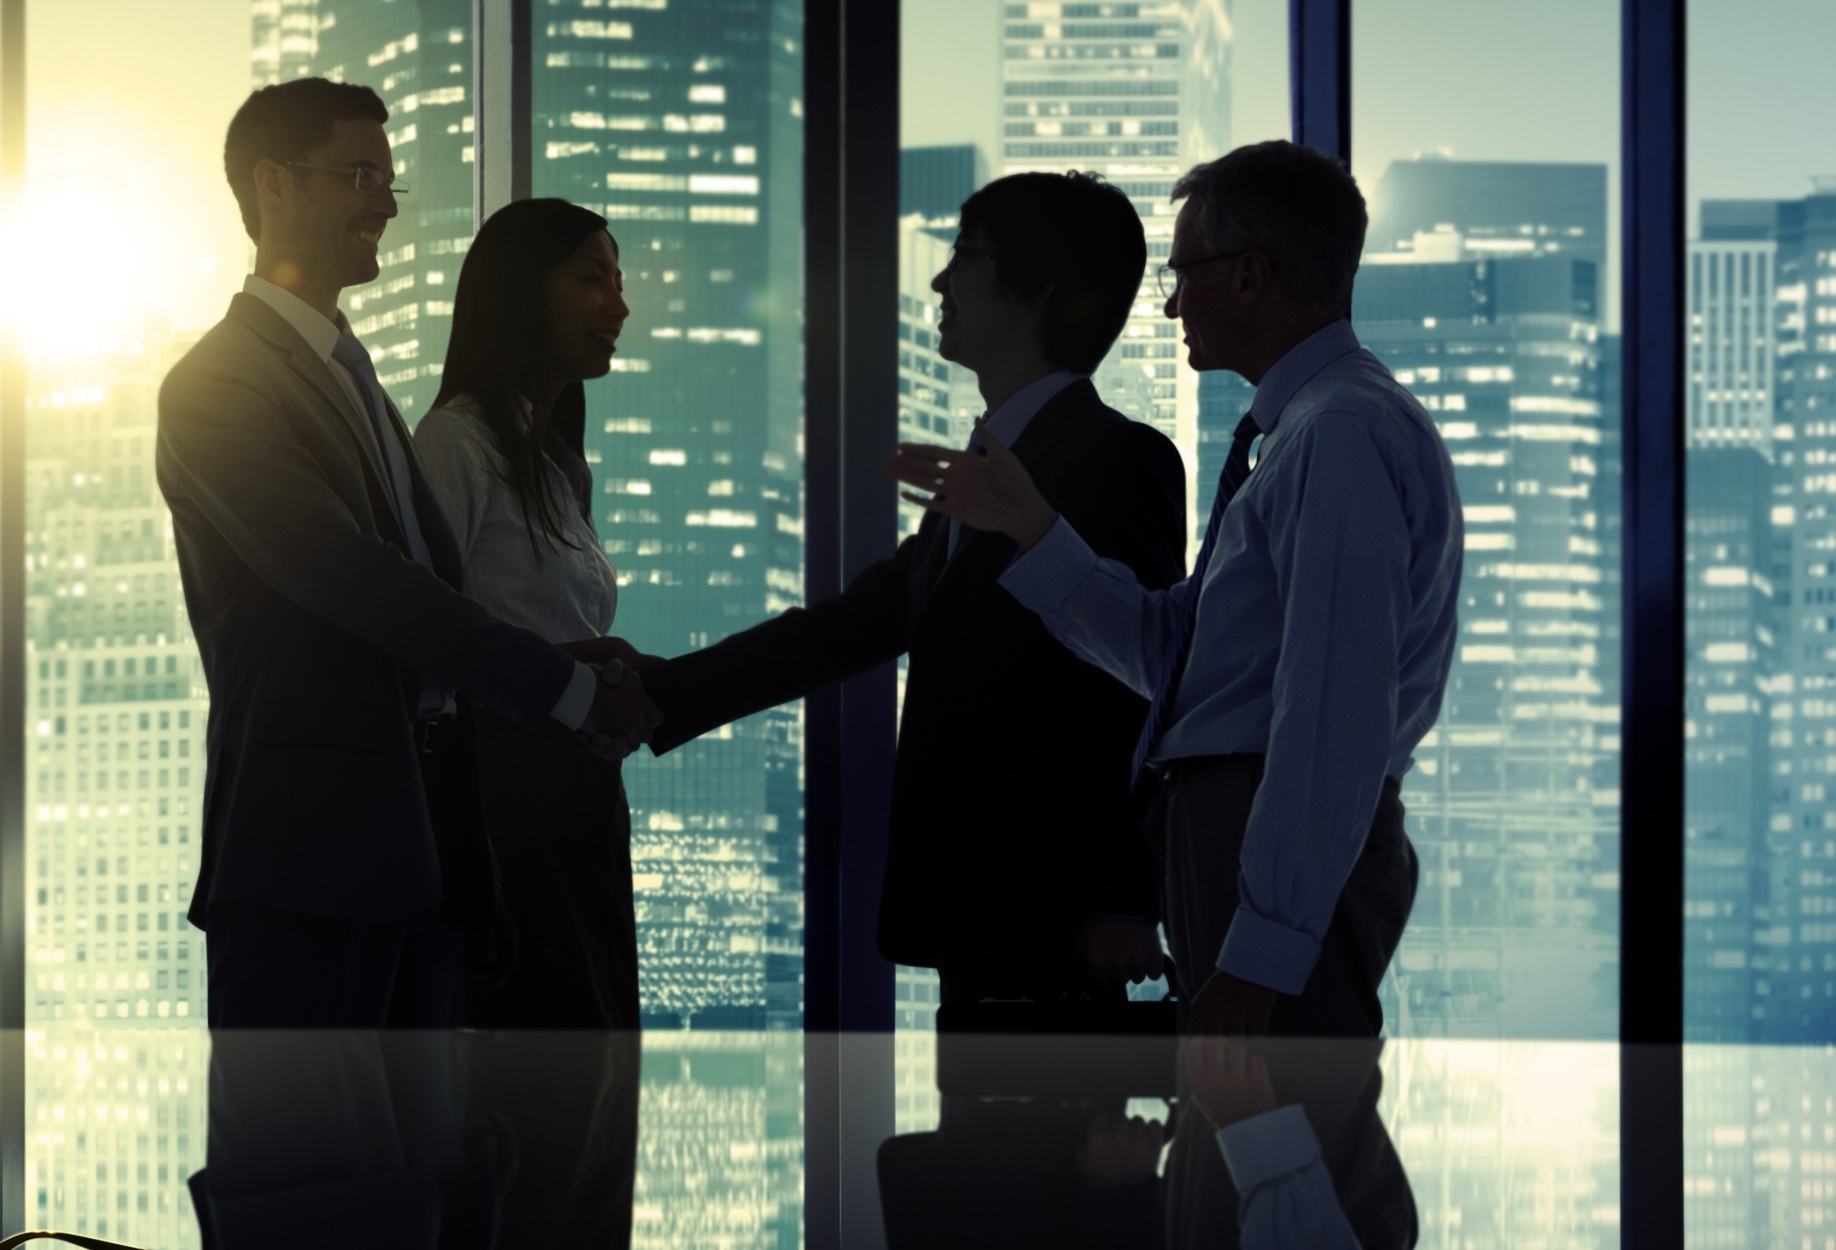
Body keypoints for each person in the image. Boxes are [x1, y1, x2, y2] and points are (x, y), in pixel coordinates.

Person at [893, 138, 1454, 1250]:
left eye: (1185, 272)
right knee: (1255, 1173)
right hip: (1241, 840)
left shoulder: (1335, 438)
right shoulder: (1299, 435)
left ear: (1250, 273)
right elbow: (1178, 657)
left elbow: (1330, 717)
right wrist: (1031, 529)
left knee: (1286, 1150)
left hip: (1261, 843)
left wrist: (1265, 942)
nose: (1167, 303)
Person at [157, 78, 663, 1247]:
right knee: (305, 1204)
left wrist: (471, 864)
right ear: (272, 186)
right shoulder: (217, 384)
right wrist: (565, 687)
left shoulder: (355, 380)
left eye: (387, 179)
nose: (384, 203)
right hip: (305, 860)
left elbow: (423, 627)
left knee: (423, 1205)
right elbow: (355, 583)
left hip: (421, 864)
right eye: (359, 176)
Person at [632, 170, 1186, 1007]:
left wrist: (1122, 899)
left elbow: (1131, 685)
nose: (939, 281)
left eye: (964, 254)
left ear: (1033, 291)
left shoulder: (1116, 458)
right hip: (975, 912)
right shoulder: (983, 473)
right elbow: (854, 626)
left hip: (1056, 928)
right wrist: (656, 693)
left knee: (1033, 1132)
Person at [407, 196, 647, 1248]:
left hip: (582, 811)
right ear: (520, 291)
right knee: (533, 1111)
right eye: (590, 277)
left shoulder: (555, 463)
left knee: (594, 1090)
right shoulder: (453, 446)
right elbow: (419, 652)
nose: (618, 303)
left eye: (619, 277)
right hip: (507, 812)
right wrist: (558, 675)